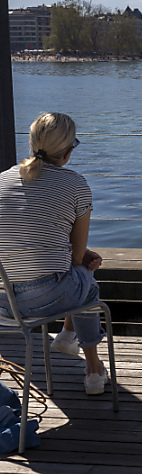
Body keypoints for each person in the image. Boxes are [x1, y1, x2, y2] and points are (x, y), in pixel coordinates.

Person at [0, 112, 109, 395]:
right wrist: (83, 255)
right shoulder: (75, 184)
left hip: (2, 302)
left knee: (80, 276)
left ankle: (69, 336)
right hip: (47, 299)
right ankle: (92, 367)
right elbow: (75, 259)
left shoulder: (1, 180)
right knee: (87, 277)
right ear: (69, 150)